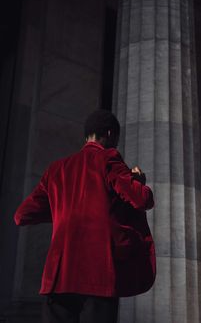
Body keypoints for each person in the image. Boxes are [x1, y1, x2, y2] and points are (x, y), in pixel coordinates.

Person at [14, 109, 156, 323]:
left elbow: (22, 215)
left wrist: (64, 207)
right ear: (110, 134)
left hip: (59, 276)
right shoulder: (109, 158)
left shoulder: (56, 169)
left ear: (86, 135)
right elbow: (142, 200)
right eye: (116, 140)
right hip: (98, 275)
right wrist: (138, 180)